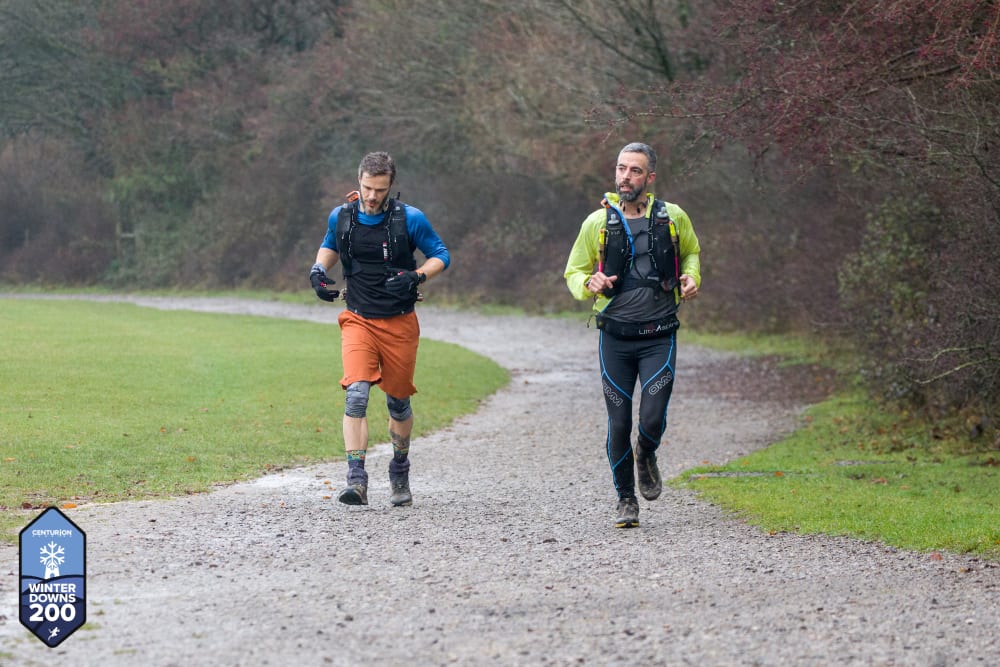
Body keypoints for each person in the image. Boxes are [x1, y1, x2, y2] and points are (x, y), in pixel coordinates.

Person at [564, 142, 701, 528]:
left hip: (660, 334)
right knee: (619, 423)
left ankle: (647, 453)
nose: (625, 177)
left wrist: (692, 277)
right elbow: (573, 271)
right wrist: (588, 283)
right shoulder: (596, 222)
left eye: (635, 170)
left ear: (650, 177)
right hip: (616, 338)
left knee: (652, 419)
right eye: (621, 168)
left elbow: (691, 253)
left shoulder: (673, 217)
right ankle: (626, 499)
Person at [310, 151, 450, 507]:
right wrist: (318, 271)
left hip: (399, 322)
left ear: (391, 186)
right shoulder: (342, 216)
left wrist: (417, 276)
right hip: (358, 318)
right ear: (359, 181)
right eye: (367, 188)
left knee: (398, 403)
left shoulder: (410, 219)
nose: (372, 196)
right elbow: (330, 245)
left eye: (380, 190)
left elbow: (441, 255)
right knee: (356, 394)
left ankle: (399, 469)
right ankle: (356, 480)